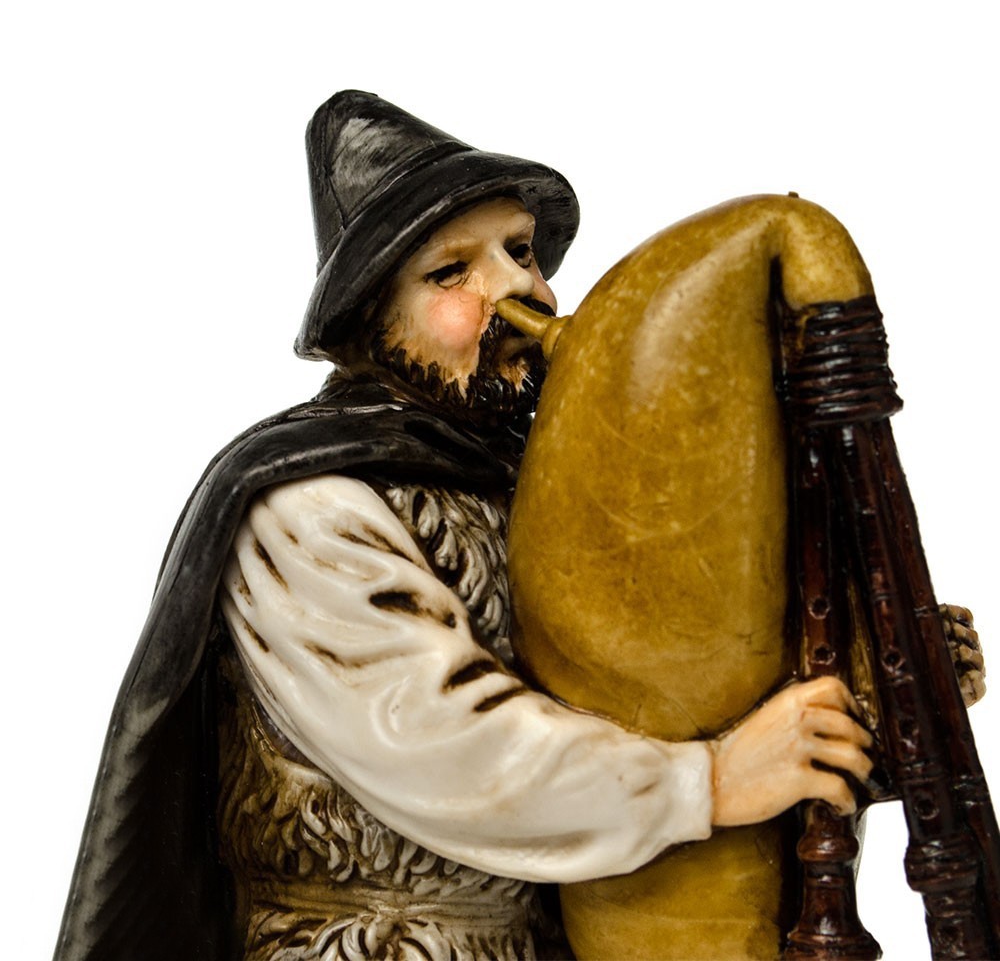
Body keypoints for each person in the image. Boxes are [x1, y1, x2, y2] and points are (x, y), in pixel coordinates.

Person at [55, 91, 973, 961]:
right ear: (371, 323)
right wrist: (713, 781)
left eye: (521, 250)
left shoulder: (536, 484)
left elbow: (648, 687)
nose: (517, 291)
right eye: (451, 272)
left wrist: (865, 689)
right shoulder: (314, 505)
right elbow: (440, 742)